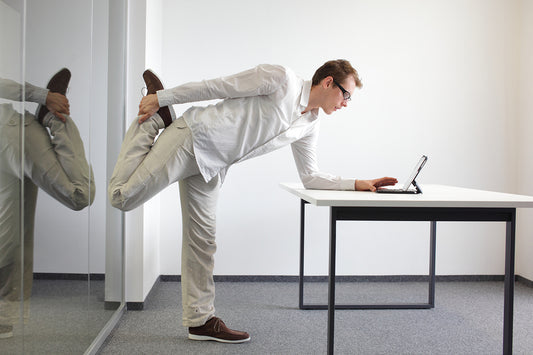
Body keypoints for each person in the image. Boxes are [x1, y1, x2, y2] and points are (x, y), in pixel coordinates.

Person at [108, 59, 397, 343]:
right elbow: (218, 87)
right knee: (121, 197)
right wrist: (162, 97)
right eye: (345, 95)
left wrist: (357, 184)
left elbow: (310, 176)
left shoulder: (310, 124)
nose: (345, 103)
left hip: (213, 166)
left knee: (203, 242)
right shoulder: (282, 79)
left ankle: (200, 321)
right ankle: (156, 121)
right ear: (328, 82)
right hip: (193, 139)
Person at [0, 69, 95, 338]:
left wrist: (45, 96)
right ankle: (5, 315)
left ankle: (54, 119)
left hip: (10, 134)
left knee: (80, 195)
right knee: (11, 236)